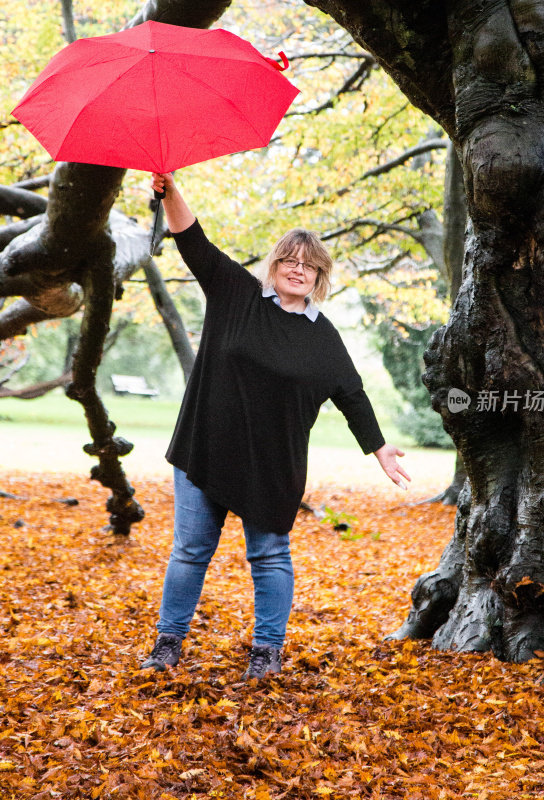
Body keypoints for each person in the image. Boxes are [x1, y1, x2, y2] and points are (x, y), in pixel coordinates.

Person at [140, 172, 411, 680]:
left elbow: (351, 394)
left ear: (319, 277)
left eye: (308, 266)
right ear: (275, 265)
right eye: (289, 260)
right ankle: (168, 642)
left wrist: (378, 448)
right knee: (190, 551)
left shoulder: (324, 337)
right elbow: (193, 240)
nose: (297, 270)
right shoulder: (236, 294)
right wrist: (171, 192)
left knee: (269, 556)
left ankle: (267, 650)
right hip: (206, 450)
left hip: (272, 466)